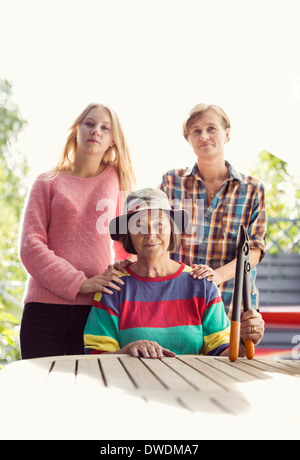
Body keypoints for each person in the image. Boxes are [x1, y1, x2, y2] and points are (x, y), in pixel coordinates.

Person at [84, 188, 264, 358]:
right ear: (128, 234)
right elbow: (95, 356)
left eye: (159, 224)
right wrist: (126, 351)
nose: (150, 233)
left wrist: (243, 341)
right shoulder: (113, 287)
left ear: (172, 229)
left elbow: (223, 354)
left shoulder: (201, 284)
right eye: (139, 225)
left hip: (193, 388)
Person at [19, 103, 135, 359]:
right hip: (43, 309)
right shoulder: (46, 181)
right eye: (89, 123)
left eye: (105, 128)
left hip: (97, 310)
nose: (96, 131)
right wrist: (80, 283)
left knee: (89, 393)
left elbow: (127, 248)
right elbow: (30, 245)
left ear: (113, 141)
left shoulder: (119, 181)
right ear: (76, 129)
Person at [158, 103, 267, 318]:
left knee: (232, 353)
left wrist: (215, 277)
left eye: (211, 128)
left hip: (232, 303)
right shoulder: (171, 182)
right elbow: (153, 233)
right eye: (196, 131)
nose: (203, 136)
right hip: (179, 299)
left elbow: (254, 250)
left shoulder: (253, 189)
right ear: (188, 139)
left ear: (227, 134)